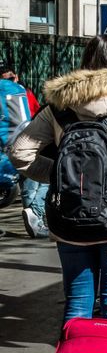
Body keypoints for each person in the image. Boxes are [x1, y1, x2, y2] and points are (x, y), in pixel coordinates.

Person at [9, 35, 107, 322]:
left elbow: (20, 152)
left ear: (84, 64)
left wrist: (61, 176)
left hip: (69, 221)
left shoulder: (59, 108)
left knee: (77, 305)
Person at [1, 66, 50, 238]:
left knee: (29, 183)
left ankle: (34, 219)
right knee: (42, 179)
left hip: (6, 147)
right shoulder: (21, 91)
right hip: (25, 141)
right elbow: (35, 113)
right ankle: (35, 215)